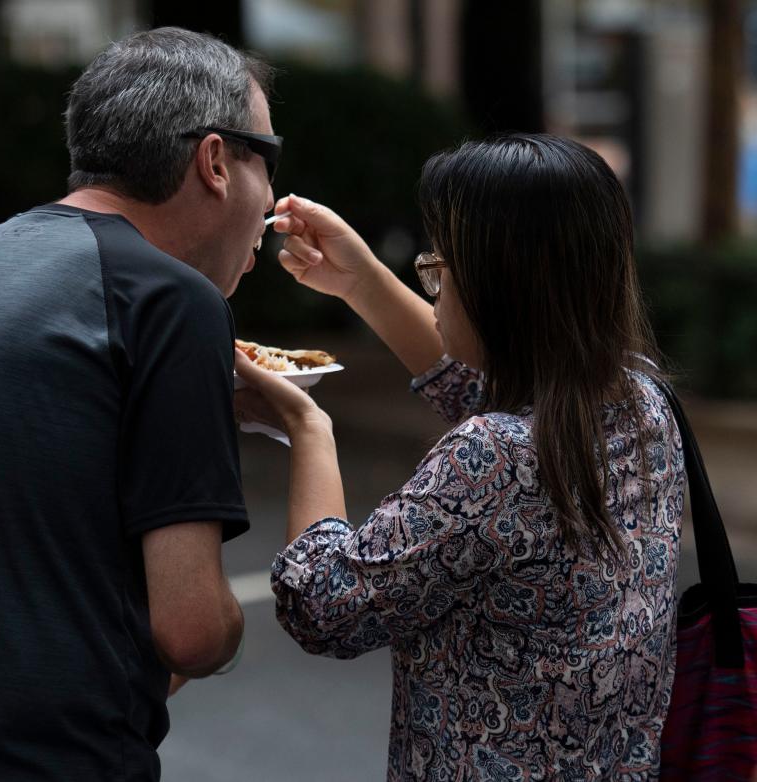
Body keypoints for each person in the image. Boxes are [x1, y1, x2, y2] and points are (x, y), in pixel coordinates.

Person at [0, 27, 278, 780]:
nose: (273, 201)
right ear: (217, 161)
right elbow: (193, 631)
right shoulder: (173, 302)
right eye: (270, 157)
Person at [235, 135, 685, 780]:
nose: (435, 288)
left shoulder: (494, 458)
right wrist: (361, 279)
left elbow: (324, 607)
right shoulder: (642, 401)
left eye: (442, 268)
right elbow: (477, 388)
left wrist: (305, 425)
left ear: (505, 287)